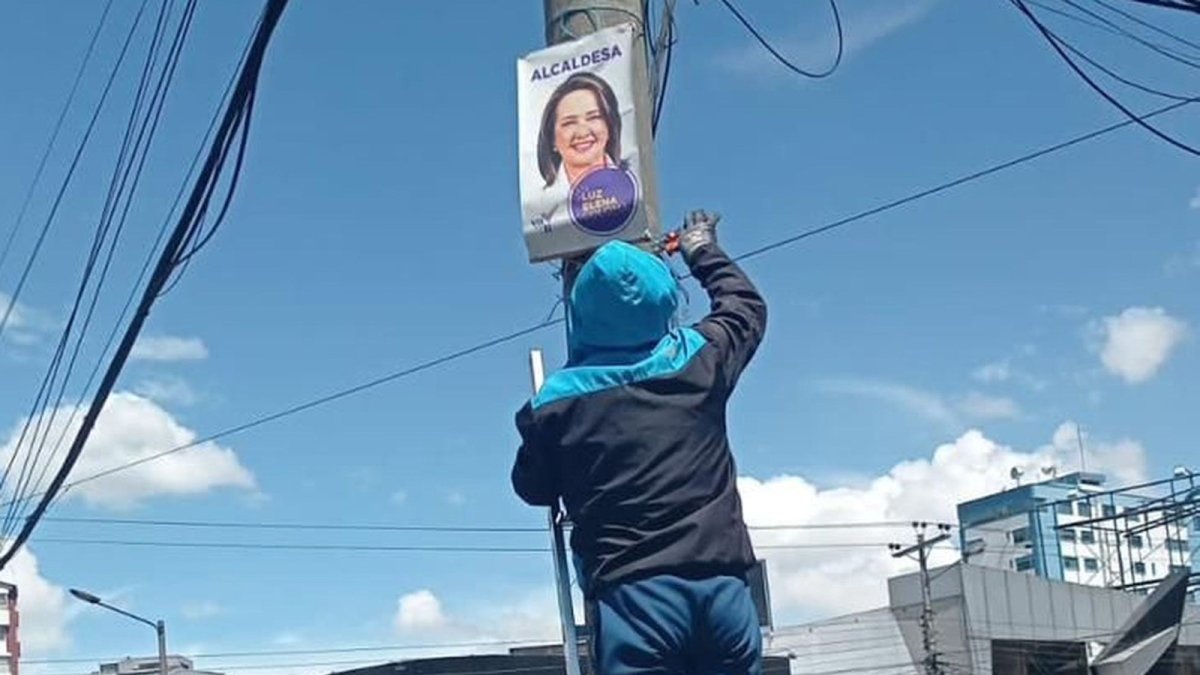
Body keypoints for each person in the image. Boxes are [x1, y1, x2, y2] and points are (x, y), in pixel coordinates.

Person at [511, 211, 768, 675]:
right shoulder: (699, 360)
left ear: (580, 309)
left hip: (633, 596)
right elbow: (745, 308)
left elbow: (532, 487)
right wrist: (701, 248)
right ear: (664, 298)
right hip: (722, 585)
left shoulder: (556, 403)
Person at [536, 72, 623, 191]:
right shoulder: (540, 200)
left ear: (610, 126)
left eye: (593, 117)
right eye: (569, 123)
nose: (582, 133)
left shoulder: (636, 184)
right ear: (552, 139)